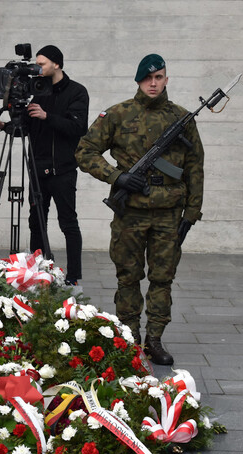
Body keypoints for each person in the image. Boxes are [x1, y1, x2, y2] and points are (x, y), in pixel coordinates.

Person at [75, 54, 204, 365]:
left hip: (169, 213)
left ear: (166, 79)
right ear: (138, 81)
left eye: (159, 77)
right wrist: (118, 177)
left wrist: (191, 213)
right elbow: (84, 151)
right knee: (128, 278)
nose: (153, 83)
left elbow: (194, 166)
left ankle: (154, 341)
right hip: (130, 212)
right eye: (148, 78)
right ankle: (129, 338)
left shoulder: (182, 117)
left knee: (162, 278)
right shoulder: (118, 115)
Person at [0, 45, 89, 286]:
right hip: (37, 169)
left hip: (62, 171)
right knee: (36, 223)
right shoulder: (38, 91)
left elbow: (78, 128)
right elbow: (30, 128)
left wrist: (47, 116)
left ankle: (73, 277)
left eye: (42, 63)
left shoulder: (77, 92)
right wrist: (4, 126)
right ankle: (38, 272)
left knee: (68, 224)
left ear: (57, 64)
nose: (37, 68)